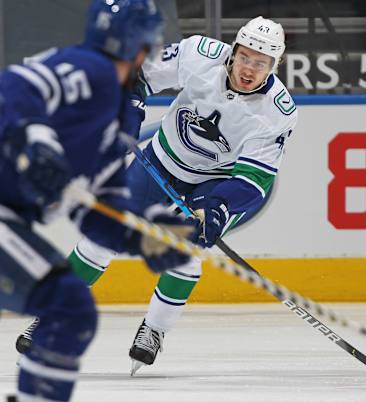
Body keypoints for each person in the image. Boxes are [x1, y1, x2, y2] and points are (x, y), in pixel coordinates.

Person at [17, 16, 298, 376]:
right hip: (163, 160)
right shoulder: (200, 54)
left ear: (275, 65)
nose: (249, 68)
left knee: (185, 253)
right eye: (245, 57)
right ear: (233, 51)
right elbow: (137, 74)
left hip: (217, 183)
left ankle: (154, 330)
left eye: (261, 63)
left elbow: (254, 179)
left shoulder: (277, 112)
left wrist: (218, 207)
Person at [0, 1, 193, 401]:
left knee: (70, 309)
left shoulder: (121, 109)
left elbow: (100, 208)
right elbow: (15, 87)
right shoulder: (87, 70)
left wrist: (138, 241)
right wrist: (36, 139)